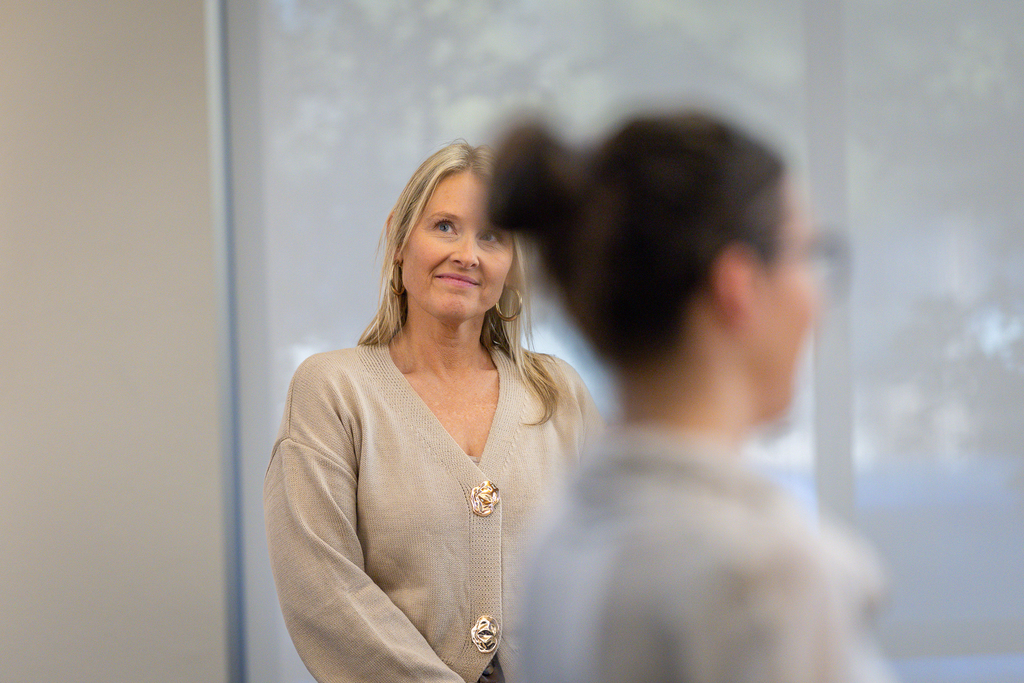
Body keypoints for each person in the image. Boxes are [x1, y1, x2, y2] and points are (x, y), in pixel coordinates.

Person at [488, 113, 896, 683]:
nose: (817, 299)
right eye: (806, 255)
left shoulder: (558, 543)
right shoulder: (766, 579)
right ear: (739, 285)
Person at [263, 141, 602, 683]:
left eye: (491, 236)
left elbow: (607, 570)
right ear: (400, 238)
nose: (467, 253)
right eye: (445, 226)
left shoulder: (561, 394)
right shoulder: (333, 391)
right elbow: (321, 589)